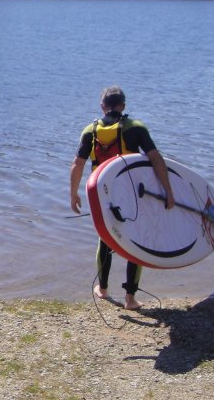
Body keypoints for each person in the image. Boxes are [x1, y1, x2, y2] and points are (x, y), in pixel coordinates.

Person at [69, 87, 175, 310]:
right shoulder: (135, 128)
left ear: (102, 106)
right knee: (136, 239)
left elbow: (77, 164)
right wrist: (168, 191)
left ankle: (103, 289)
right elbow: (156, 159)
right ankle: (130, 298)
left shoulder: (90, 131)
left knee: (105, 237)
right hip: (131, 192)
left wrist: (73, 194)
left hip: (101, 193)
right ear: (123, 106)